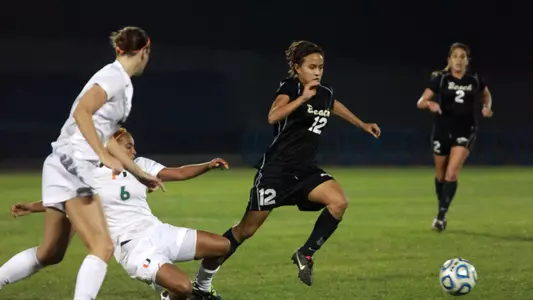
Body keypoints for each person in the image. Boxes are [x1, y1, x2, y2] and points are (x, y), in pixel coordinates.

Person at [190, 40, 381, 293]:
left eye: (320, 67)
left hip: (304, 170)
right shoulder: (290, 88)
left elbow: (333, 105)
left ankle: (306, 254)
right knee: (245, 230)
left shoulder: (323, 92)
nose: (317, 71)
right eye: (311, 66)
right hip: (276, 172)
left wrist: (361, 124)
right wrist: (301, 98)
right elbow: (273, 116)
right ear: (297, 67)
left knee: (338, 201)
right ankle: (202, 283)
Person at [0, 26, 164, 300]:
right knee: (102, 246)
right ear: (144, 52)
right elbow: (82, 112)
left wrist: (137, 172)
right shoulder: (113, 78)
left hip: (62, 162)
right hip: (73, 163)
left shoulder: (121, 81)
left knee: (50, 253)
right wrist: (101, 155)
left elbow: (107, 134)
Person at [10, 128, 230, 300]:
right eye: (128, 146)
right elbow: (63, 202)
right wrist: (31, 207)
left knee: (222, 246)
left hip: (158, 231)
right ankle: (172, 296)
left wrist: (208, 165)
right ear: (111, 146)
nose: (133, 151)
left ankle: (203, 289)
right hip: (133, 247)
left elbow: (179, 172)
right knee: (182, 288)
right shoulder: (91, 175)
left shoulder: (140, 166)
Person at [416, 42, 493, 232]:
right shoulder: (440, 79)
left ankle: (441, 217)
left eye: (462, 57)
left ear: (467, 61)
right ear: (449, 60)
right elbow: (421, 101)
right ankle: (442, 206)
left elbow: (486, 95)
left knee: (452, 173)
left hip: (465, 129)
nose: (458, 60)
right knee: (441, 174)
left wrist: (487, 107)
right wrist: (429, 104)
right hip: (442, 129)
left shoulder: (474, 79)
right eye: (455, 56)